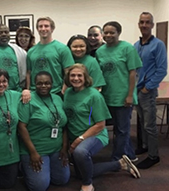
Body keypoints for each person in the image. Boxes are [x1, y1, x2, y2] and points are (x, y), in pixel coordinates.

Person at [63, 64, 141, 191]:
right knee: (80, 173)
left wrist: (79, 140)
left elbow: (100, 125)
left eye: (79, 75)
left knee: (80, 153)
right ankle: (119, 164)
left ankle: (88, 184)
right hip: (75, 135)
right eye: (72, 75)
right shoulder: (67, 93)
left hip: (95, 134)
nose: (75, 78)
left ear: (85, 77)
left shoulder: (94, 95)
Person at [96, 21, 142, 161]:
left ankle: (117, 158)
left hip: (123, 96)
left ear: (118, 33)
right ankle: (130, 155)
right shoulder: (100, 51)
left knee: (122, 129)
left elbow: (132, 73)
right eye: (106, 32)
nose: (108, 35)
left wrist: (130, 95)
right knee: (117, 129)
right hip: (107, 96)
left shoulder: (127, 48)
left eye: (112, 32)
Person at [18, 71, 70, 191]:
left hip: (56, 149)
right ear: (34, 85)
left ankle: (45, 168)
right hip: (36, 150)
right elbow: (22, 127)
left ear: (52, 84)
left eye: (47, 83)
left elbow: (63, 125)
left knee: (62, 180)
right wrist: (33, 153)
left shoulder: (57, 99)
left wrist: (64, 147)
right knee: (39, 187)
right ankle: (23, 167)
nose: (43, 86)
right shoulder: (28, 100)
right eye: (39, 83)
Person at [134, 12, 167, 169]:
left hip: (148, 91)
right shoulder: (136, 45)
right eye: (142, 22)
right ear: (138, 24)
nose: (144, 25)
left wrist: (148, 88)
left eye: (147, 22)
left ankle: (154, 156)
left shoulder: (158, 45)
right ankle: (145, 147)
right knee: (142, 122)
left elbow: (162, 70)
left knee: (150, 125)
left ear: (152, 25)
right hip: (137, 90)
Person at [26, 17, 75, 97]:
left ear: (52, 29)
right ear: (37, 29)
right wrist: (27, 90)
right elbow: (29, 73)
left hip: (55, 92)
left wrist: (64, 89)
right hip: (35, 93)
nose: (43, 29)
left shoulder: (62, 49)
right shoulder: (31, 51)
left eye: (46, 26)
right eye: (40, 26)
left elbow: (68, 72)